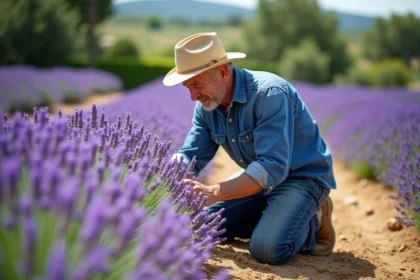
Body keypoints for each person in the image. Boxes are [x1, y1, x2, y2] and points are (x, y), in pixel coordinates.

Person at [163, 32, 336, 265]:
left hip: (301, 177)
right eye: (187, 87)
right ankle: (274, 218)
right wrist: (162, 174)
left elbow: (271, 166)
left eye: (196, 84)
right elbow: (191, 155)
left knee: (267, 249)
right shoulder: (206, 107)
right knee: (201, 227)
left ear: (222, 72)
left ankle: (313, 220)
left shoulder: (269, 94)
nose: (193, 95)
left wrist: (214, 192)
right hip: (258, 181)